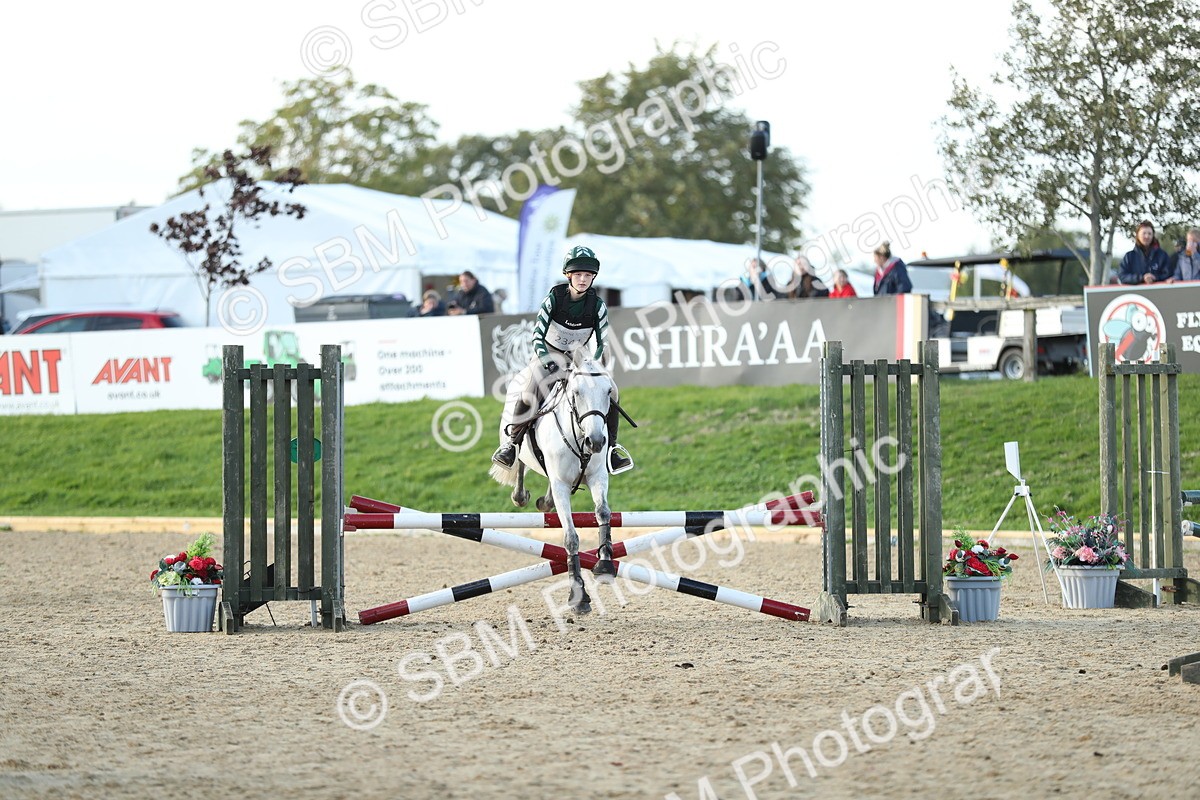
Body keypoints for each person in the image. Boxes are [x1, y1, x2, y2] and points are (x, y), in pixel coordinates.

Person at [491, 245, 633, 474]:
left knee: (612, 392)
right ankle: (511, 445)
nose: (583, 279)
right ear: (568, 275)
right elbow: (537, 336)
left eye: (588, 275)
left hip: (579, 358)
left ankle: (611, 450)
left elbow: (603, 342)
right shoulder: (553, 299)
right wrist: (546, 360)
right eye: (578, 274)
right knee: (530, 390)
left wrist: (594, 364)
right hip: (548, 353)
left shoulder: (598, 306)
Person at [1118, 220, 1172, 285]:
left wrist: (1155, 278)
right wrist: (1141, 278)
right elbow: (1122, 276)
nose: (1147, 236)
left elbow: (1168, 274)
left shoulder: (1162, 255)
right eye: (1144, 233)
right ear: (1138, 235)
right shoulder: (1129, 257)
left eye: (1149, 234)